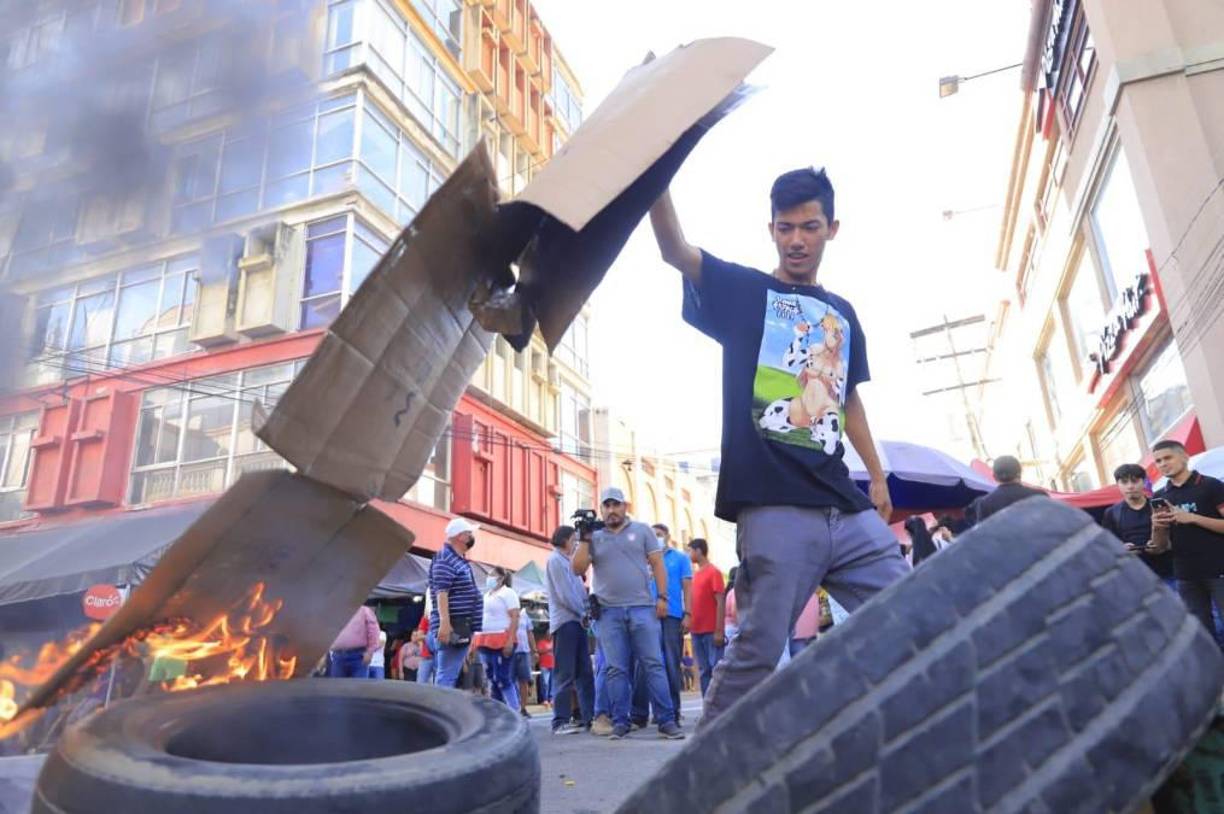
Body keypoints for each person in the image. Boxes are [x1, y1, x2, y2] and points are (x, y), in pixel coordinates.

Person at [649, 167, 910, 726]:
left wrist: (876, 474)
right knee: (758, 651)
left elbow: (848, 398)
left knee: (913, 612)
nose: (796, 240)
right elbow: (675, 250)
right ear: (770, 229)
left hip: (844, 504)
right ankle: (706, 764)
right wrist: (657, 173)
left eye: (809, 227)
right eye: (785, 227)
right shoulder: (746, 292)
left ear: (831, 229)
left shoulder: (842, 314)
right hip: (774, 504)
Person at [572, 487, 684, 740]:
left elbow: (657, 564)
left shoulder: (642, 530)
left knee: (653, 665)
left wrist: (662, 597)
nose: (612, 510)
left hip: (642, 608)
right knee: (616, 669)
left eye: (616, 505)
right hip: (608, 612)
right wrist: (584, 539)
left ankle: (666, 721)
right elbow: (577, 568)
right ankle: (620, 722)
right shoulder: (593, 536)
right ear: (601, 510)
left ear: (625, 506)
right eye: (607, 506)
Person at [1149, 440, 1224, 644]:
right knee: (1201, 636)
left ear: (1184, 456)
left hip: (1219, 570)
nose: (1163, 463)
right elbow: (1160, 546)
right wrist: (1157, 526)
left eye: (1167, 457)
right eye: (1158, 461)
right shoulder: (1160, 496)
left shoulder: (1211, 485)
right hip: (1185, 575)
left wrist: (1192, 518)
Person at [631, 523, 692, 727]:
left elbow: (687, 588)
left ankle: (671, 712)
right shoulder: (642, 558)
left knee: (671, 664)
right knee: (642, 665)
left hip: (672, 615)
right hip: (645, 614)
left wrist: (688, 613)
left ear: (667, 536)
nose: (655, 537)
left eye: (659, 534)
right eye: (652, 534)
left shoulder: (680, 558)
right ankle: (639, 714)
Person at [545, 524, 596, 735]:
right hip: (566, 622)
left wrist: (586, 611)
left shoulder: (569, 561)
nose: (576, 544)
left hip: (577, 622)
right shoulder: (555, 560)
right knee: (564, 673)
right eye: (574, 540)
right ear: (565, 540)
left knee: (584, 672)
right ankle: (560, 720)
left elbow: (579, 591)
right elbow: (564, 595)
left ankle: (588, 716)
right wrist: (583, 612)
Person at [428, 517, 483, 689]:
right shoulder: (446, 558)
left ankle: (442, 703)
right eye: (469, 533)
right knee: (446, 676)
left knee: (449, 674)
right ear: (460, 536)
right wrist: (445, 623)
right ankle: (439, 704)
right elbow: (441, 592)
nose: (471, 537)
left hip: (461, 625)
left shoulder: (456, 559)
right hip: (455, 625)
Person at [1101, 463, 1174, 590]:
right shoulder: (1112, 513)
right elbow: (1107, 544)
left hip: (1168, 573)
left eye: (1134, 481)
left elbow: (1177, 536)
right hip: (1134, 577)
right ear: (1118, 484)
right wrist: (1121, 548)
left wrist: (1161, 543)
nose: (1130, 486)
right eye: (1124, 482)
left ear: (1144, 482)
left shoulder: (1159, 506)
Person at [475, 566, 521, 711]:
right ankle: (498, 711)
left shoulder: (508, 593)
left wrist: (510, 640)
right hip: (485, 640)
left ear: (501, 579)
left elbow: (515, 617)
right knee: (491, 678)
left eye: (492, 575)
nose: (489, 578)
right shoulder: (486, 595)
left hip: (501, 640)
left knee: (502, 678)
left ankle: (514, 709)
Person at [687, 539, 725, 696]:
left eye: (690, 551)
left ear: (699, 551)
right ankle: (707, 704)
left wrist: (719, 630)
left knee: (716, 669)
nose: (688, 554)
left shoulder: (714, 572)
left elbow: (720, 601)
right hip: (696, 631)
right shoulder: (695, 575)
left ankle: (720, 704)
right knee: (703, 670)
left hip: (711, 631)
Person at [966, 456, 1046, 526]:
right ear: (1020, 472)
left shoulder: (984, 504)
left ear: (994, 476)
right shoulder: (1040, 496)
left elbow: (984, 534)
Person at [327, 604, 381, 678]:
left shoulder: (364, 611)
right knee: (337, 684)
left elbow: (373, 631)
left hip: (359, 656)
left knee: (358, 684)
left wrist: (370, 652)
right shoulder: (333, 612)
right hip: (338, 656)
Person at [514, 607, 537, 717]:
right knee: (510, 681)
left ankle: (523, 708)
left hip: (524, 651)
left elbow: (530, 633)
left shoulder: (525, 615)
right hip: (510, 651)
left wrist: (534, 651)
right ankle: (513, 708)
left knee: (524, 680)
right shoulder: (505, 613)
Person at [415, 613, 435, 685]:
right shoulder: (427, 617)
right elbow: (418, 637)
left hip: (441, 657)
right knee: (421, 683)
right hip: (426, 657)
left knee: (439, 684)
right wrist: (431, 637)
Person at [537, 634, 554, 706]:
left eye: (551, 635)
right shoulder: (541, 642)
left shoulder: (554, 642)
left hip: (553, 665)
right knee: (545, 683)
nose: (550, 636)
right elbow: (539, 651)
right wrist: (548, 650)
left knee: (552, 683)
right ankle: (545, 699)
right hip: (544, 665)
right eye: (548, 635)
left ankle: (552, 698)